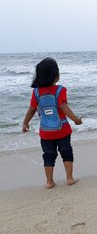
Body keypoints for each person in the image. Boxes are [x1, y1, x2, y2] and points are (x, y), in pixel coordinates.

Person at [22, 57, 83, 189]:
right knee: (66, 152)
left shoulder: (36, 92)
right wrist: (76, 120)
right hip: (63, 130)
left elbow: (32, 109)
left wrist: (25, 122)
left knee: (48, 155)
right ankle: (69, 178)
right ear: (55, 76)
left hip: (45, 132)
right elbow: (63, 107)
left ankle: (49, 182)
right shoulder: (60, 90)